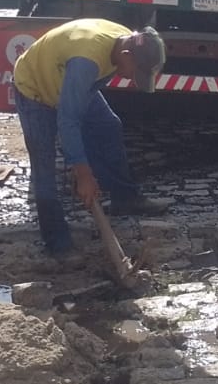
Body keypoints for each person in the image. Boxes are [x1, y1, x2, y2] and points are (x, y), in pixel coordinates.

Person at [12, 18, 172, 259]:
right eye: (135, 71)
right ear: (126, 54)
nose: (132, 78)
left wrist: (83, 165)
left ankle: (124, 198)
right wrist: (83, 174)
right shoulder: (86, 61)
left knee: (108, 126)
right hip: (36, 90)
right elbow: (68, 120)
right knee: (44, 167)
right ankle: (58, 244)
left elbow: (78, 104)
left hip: (72, 85)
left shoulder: (125, 40)